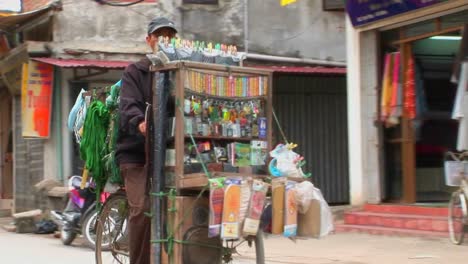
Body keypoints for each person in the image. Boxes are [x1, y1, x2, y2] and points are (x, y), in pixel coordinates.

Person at [116, 17, 177, 264]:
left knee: (178, 205)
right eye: (160, 36)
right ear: (149, 40)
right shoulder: (136, 71)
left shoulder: (177, 72)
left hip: (168, 152)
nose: (165, 41)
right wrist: (141, 122)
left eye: (170, 36)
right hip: (135, 153)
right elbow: (128, 105)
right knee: (142, 208)